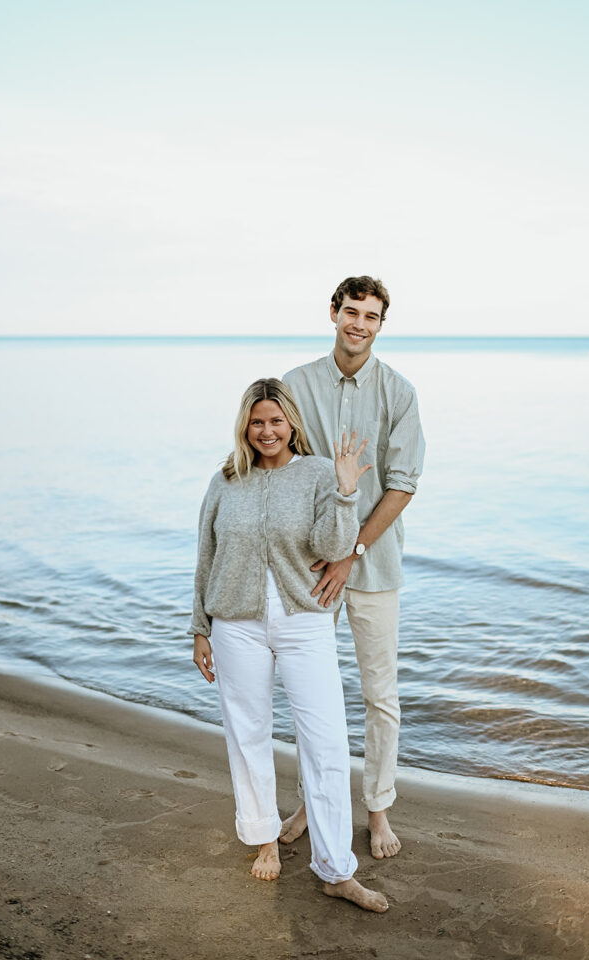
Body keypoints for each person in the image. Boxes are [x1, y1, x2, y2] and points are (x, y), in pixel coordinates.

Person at [189, 378, 388, 913]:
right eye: (257, 422)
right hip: (236, 624)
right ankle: (263, 838)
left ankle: (336, 869)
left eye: (276, 421)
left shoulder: (321, 473)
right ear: (245, 427)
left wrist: (347, 491)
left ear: (292, 423)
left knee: (324, 743)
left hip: (305, 622)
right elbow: (205, 555)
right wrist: (200, 627)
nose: (267, 431)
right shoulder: (226, 480)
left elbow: (331, 547)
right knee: (247, 732)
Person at [282, 276, 425, 860]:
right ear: (333, 313)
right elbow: (279, 466)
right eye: (351, 312)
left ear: (381, 324)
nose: (359, 324)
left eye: (371, 315)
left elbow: (403, 484)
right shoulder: (295, 385)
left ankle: (378, 808)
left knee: (379, 695)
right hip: (310, 564)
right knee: (310, 692)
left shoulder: (399, 392)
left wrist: (353, 551)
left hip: (373, 564)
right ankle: (308, 803)